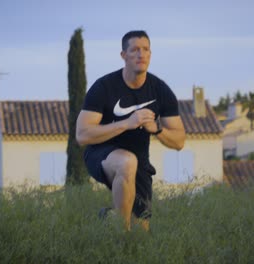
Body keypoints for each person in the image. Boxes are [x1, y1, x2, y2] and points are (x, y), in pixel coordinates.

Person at [76, 30, 185, 231]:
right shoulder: (104, 87)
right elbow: (82, 135)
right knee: (126, 162)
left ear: (150, 55)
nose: (140, 54)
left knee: (140, 232)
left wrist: (158, 130)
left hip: (140, 162)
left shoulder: (160, 90)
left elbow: (179, 141)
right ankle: (119, 227)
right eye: (134, 50)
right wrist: (126, 123)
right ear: (123, 55)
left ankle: (111, 219)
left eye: (145, 50)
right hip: (101, 154)